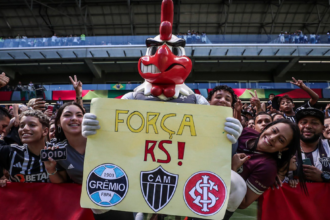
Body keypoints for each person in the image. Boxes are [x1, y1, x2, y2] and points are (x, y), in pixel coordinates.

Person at [82, 1, 243, 218]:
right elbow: (108, 132)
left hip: (187, 168)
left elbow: (215, 145)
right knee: (98, 199)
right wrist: (94, 127)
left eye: (173, 50)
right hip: (135, 167)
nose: (164, 55)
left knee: (236, 186)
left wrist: (228, 134)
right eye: (155, 49)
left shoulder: (197, 101)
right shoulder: (130, 98)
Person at [232, 120, 307, 212]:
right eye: (274, 131)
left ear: (284, 148)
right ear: (267, 127)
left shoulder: (267, 168)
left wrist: (233, 170)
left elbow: (243, 203)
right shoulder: (247, 132)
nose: (272, 138)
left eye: (281, 140)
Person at [0, 110, 50, 186]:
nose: (25, 128)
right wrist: (1, 176)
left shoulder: (56, 151)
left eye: (32, 125)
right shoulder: (12, 152)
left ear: (45, 131)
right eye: (22, 126)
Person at [296, 107, 330, 182]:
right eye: (303, 122)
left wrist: (323, 176)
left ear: (323, 128)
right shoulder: (285, 148)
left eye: (314, 123)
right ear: (296, 127)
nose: (308, 126)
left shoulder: (328, 146)